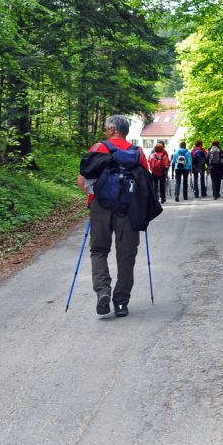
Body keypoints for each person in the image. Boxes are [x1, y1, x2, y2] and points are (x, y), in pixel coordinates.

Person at [76, 115, 153, 318]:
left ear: (111, 130)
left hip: (100, 207)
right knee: (127, 255)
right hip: (128, 209)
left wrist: (97, 193)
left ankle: (103, 292)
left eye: (105, 128)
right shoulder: (136, 152)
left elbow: (82, 182)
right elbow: (145, 183)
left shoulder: (98, 148)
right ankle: (121, 303)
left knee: (99, 250)